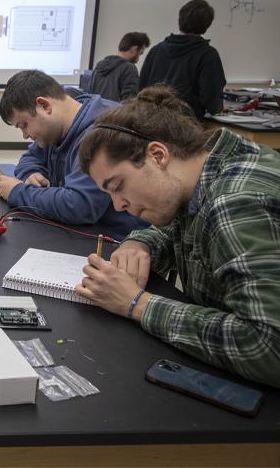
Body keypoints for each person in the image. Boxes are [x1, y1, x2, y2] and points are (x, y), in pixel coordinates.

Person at [76, 86, 280, 388]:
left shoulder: (235, 203)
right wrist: (139, 242)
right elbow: (181, 225)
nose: (118, 205)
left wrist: (137, 303)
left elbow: (267, 346)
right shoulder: (207, 168)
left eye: (118, 186)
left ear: (157, 155)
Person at [0, 70, 148, 240]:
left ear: (45, 106)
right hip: (80, 232)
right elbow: (30, 157)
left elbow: (79, 205)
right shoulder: (57, 128)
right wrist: (31, 173)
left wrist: (17, 192)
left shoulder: (103, 134)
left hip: (116, 243)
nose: (25, 135)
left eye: (24, 125)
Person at [139, 0, 226, 120]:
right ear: (207, 25)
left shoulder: (156, 50)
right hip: (186, 125)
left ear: (180, 19)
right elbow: (211, 96)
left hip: (152, 121)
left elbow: (142, 88)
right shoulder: (207, 54)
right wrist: (217, 109)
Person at [87, 31, 149, 102]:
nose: (138, 59)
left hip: (95, 112)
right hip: (114, 113)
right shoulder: (129, 68)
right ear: (134, 49)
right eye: (140, 53)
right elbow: (129, 103)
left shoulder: (99, 65)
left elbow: (89, 94)